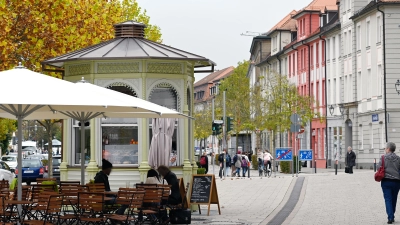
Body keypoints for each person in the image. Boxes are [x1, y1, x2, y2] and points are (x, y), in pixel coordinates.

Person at [379, 142, 400, 224]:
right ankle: (392, 215)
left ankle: (390, 217)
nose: (385, 149)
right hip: (396, 182)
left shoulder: (383, 158)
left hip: (386, 181)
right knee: (394, 199)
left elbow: (378, 167)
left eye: (385, 148)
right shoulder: (398, 158)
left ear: (388, 149)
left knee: (388, 199)